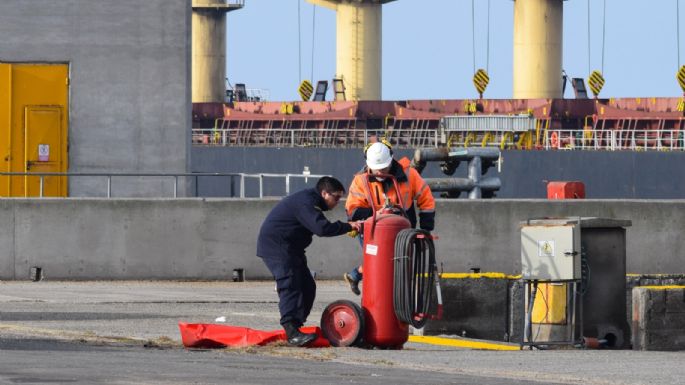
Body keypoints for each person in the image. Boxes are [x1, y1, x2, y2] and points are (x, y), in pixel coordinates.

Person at [257, 176, 362, 347]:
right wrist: (349, 226)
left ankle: (296, 327)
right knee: (290, 284)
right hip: (277, 247)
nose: (337, 202)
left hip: (292, 248)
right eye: (335, 197)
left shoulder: (311, 201)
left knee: (307, 286)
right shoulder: (306, 203)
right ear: (324, 193)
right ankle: (291, 331)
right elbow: (321, 228)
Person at [343, 141, 435, 295]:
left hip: (403, 229)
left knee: (394, 260)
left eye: (383, 168)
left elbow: (426, 200)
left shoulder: (409, 174)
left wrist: (426, 229)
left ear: (391, 161)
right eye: (376, 169)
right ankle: (374, 289)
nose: (379, 173)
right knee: (379, 259)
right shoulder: (361, 181)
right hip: (372, 229)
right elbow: (353, 211)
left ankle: (357, 276)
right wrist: (376, 214)